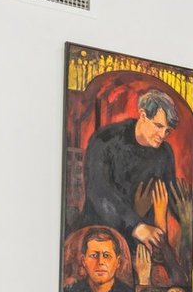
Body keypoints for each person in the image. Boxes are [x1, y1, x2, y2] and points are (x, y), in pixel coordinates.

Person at [79, 89, 184, 255]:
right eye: (158, 126)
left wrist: (186, 220)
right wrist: (136, 225)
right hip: (99, 237)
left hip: (142, 244)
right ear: (143, 115)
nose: (162, 135)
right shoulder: (106, 139)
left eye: (167, 131)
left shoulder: (165, 153)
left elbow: (171, 197)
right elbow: (99, 192)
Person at [62, 227, 134, 292]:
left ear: (118, 262)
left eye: (106, 255)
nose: (100, 262)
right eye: (93, 255)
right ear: (84, 261)